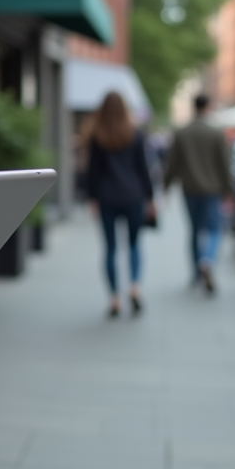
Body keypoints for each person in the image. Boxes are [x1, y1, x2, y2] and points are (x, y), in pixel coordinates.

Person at [85, 92, 155, 317]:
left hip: (107, 198)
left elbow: (92, 172)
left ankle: (114, 298)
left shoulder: (97, 136)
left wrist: (92, 198)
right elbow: (143, 169)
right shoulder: (135, 134)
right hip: (133, 196)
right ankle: (134, 286)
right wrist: (150, 198)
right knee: (134, 244)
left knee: (110, 249)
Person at [163, 94, 233, 293]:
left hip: (190, 189)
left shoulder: (182, 132)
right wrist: (229, 189)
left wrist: (165, 186)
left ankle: (196, 272)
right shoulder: (216, 133)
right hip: (212, 190)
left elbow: (173, 163)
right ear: (208, 106)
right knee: (213, 229)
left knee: (194, 231)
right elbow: (224, 164)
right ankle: (207, 260)